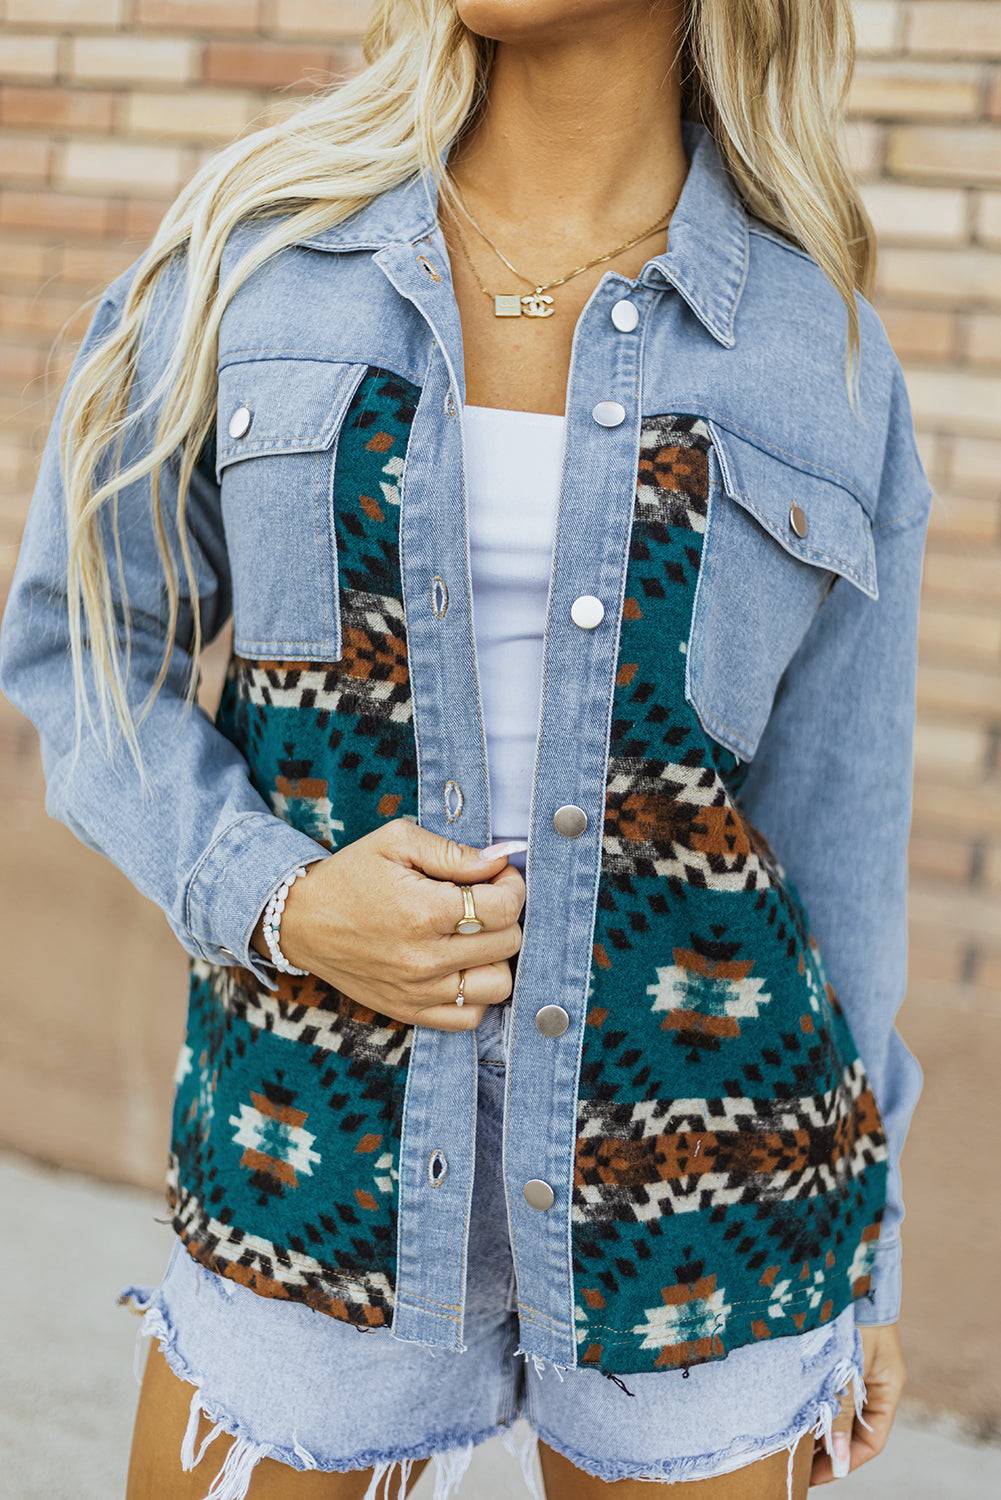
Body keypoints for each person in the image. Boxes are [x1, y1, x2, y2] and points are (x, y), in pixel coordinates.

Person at [0, 2, 932, 1497]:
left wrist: (864, 1259)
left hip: (704, 1202)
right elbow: (84, 652)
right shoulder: (254, 257)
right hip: (320, 1149)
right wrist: (283, 900)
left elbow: (836, 844)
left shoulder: (812, 353)